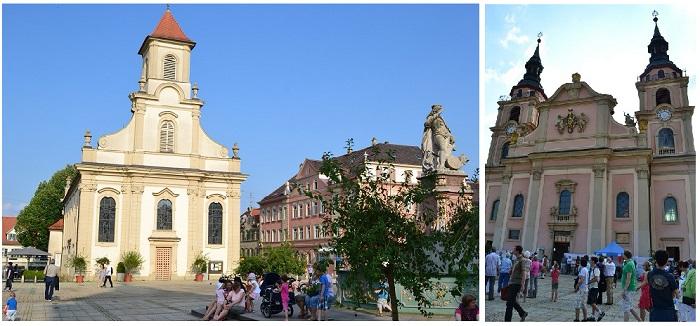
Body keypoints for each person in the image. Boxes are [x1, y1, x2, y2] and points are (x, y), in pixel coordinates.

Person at [648, 250, 679, 321]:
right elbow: (677, 295)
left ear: (655, 260)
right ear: (667, 261)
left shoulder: (650, 274)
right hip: (668, 311)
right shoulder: (670, 276)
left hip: (655, 311)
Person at [504, 245, 528, 322]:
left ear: (517, 251)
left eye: (514, 249)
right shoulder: (516, 260)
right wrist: (511, 271)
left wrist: (523, 284)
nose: (512, 251)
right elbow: (514, 270)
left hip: (517, 283)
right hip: (512, 282)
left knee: (509, 303)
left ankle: (507, 321)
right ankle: (522, 313)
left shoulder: (522, 260)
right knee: (512, 301)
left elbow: (524, 273)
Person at [620, 250, 642, 321]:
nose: (622, 255)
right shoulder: (629, 262)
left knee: (626, 309)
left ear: (625, 255)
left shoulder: (629, 264)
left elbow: (628, 278)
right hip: (629, 288)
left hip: (628, 289)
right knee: (630, 307)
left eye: (623, 254)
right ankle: (640, 321)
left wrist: (624, 290)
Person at [586, 257, 605, 321]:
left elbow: (596, 278)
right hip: (592, 287)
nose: (589, 261)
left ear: (593, 261)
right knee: (593, 302)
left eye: (590, 260)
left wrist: (588, 282)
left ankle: (600, 312)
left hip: (594, 288)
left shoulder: (596, 269)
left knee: (591, 302)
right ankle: (593, 316)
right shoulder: (592, 268)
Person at [573, 257, 589, 322]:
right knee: (583, 304)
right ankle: (585, 318)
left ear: (581, 263)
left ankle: (577, 319)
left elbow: (581, 280)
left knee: (577, 304)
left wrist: (576, 286)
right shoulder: (586, 269)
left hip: (582, 289)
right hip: (585, 288)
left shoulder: (583, 270)